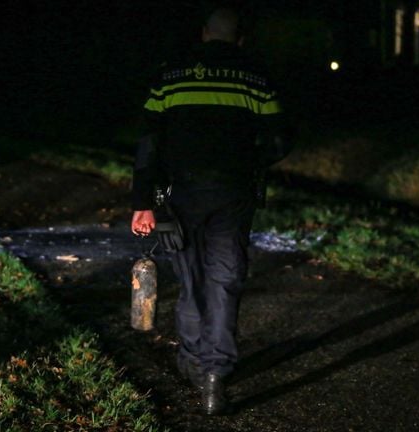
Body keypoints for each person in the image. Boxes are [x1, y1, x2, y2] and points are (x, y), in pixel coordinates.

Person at [130, 7, 290, 415]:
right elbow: (279, 139)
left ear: (204, 35)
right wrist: (250, 162)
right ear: (241, 40)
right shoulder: (256, 78)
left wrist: (142, 202)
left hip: (178, 195)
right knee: (225, 278)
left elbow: (148, 142)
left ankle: (192, 360)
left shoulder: (171, 75)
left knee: (191, 279)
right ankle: (216, 373)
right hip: (232, 194)